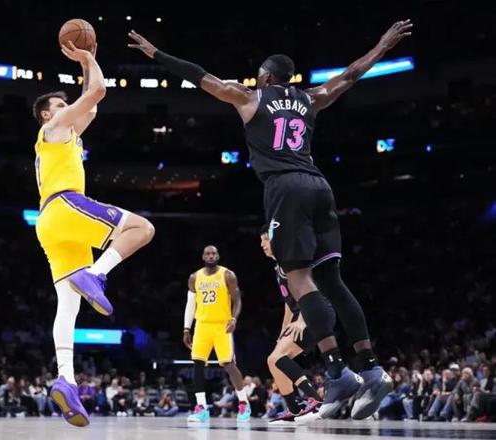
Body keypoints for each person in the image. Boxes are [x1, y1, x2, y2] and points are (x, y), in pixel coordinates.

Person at [127, 19, 413, 419]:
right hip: (320, 186)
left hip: (285, 188)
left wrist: (157, 54)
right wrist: (381, 46)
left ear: (265, 77)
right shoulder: (310, 98)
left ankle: (337, 372)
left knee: (299, 279)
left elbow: (200, 77)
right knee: (332, 280)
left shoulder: (250, 98)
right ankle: (370, 366)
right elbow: (350, 75)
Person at [32, 41, 154, 427]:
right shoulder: (53, 128)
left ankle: (65, 379)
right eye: (60, 104)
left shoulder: (66, 133)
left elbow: (93, 103)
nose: (67, 106)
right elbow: (98, 91)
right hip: (65, 205)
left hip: (50, 223)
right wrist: (87, 58)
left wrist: (89, 64)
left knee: (68, 305)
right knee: (142, 228)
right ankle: (98, 274)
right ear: (46, 114)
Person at [260, 228, 322, 422]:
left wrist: (302, 320)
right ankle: (294, 409)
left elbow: (308, 290)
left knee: (278, 357)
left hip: (311, 314)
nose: (262, 244)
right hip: (298, 316)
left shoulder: (290, 262)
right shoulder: (278, 268)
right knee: (272, 361)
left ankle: (314, 397)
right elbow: (289, 303)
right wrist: (283, 331)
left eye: (265, 240)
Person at [183, 246, 251, 422]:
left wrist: (234, 319)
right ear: (203, 256)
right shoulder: (194, 277)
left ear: (218, 255)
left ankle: (243, 402)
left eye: (214, 253)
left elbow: (237, 300)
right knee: (197, 364)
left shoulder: (227, 275)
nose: (211, 256)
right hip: (202, 325)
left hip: (222, 325)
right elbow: (190, 305)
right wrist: (186, 328)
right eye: (208, 253)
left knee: (228, 364)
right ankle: (201, 407)